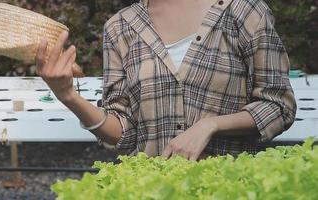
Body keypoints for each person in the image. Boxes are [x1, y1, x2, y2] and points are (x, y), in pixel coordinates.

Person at [35, 0, 297, 161]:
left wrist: (210, 125)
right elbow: (123, 135)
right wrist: (68, 96)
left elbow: (278, 106)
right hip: (151, 189)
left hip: (228, 189)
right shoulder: (120, 27)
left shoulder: (245, 11)